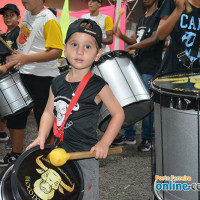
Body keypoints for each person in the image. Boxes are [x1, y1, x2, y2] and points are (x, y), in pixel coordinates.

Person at [27, 18, 125, 200]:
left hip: (85, 155)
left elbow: (118, 113)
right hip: (59, 152)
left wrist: (104, 143)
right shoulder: (56, 82)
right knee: (62, 195)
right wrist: (41, 136)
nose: (80, 51)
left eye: (88, 47)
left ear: (98, 53)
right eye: (74, 44)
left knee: (85, 196)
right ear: (64, 48)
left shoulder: (98, 85)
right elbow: (49, 112)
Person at [0, 0, 63, 167]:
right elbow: (26, 45)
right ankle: (16, 154)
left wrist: (26, 58)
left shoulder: (49, 19)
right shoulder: (28, 14)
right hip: (24, 72)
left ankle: (46, 156)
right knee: (16, 114)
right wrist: (12, 62)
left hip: (43, 77)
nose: (24, 0)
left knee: (44, 117)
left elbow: (57, 50)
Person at [112, 0, 165, 152]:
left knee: (147, 105)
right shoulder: (142, 18)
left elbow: (155, 39)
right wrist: (121, 35)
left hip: (150, 67)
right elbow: (136, 40)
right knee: (131, 102)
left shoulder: (159, 17)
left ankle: (147, 139)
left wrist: (133, 47)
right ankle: (130, 136)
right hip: (137, 65)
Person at [0, 4, 21, 149]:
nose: (7, 18)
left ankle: (13, 140)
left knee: (14, 110)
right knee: (3, 106)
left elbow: (20, 53)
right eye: (5, 15)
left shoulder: (18, 33)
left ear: (18, 18)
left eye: (11, 15)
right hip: (3, 73)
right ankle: (2, 134)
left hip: (13, 74)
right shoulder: (4, 35)